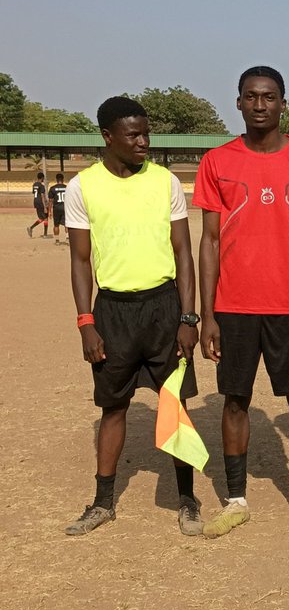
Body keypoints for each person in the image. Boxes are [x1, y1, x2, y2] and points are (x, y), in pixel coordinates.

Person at [194, 66, 289, 539]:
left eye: (269, 97)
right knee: (235, 400)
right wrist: (208, 313)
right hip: (234, 307)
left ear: (282, 102)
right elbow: (208, 242)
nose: (260, 105)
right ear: (238, 103)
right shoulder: (216, 162)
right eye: (251, 97)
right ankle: (236, 501)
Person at [64, 97, 202, 536]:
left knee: (174, 405)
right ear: (108, 136)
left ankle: (187, 499)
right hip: (114, 312)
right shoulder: (82, 187)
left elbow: (183, 252)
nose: (144, 141)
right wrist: (87, 322)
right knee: (113, 407)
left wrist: (188, 318)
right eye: (133, 134)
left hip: (164, 308)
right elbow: (81, 262)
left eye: (147, 133)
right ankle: (103, 502)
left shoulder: (165, 182)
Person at [27, 171, 49, 237]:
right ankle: (45, 234)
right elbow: (42, 195)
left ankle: (31, 228)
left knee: (41, 218)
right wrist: (45, 206)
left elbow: (34, 193)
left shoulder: (34, 185)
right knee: (45, 218)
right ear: (42, 178)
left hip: (36, 202)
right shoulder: (41, 186)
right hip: (41, 202)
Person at [48, 172, 67, 243]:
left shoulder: (53, 188)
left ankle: (57, 240)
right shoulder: (66, 187)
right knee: (67, 224)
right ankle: (67, 238)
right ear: (63, 179)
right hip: (65, 208)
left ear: (56, 179)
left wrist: (49, 211)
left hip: (56, 208)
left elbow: (50, 201)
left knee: (56, 225)